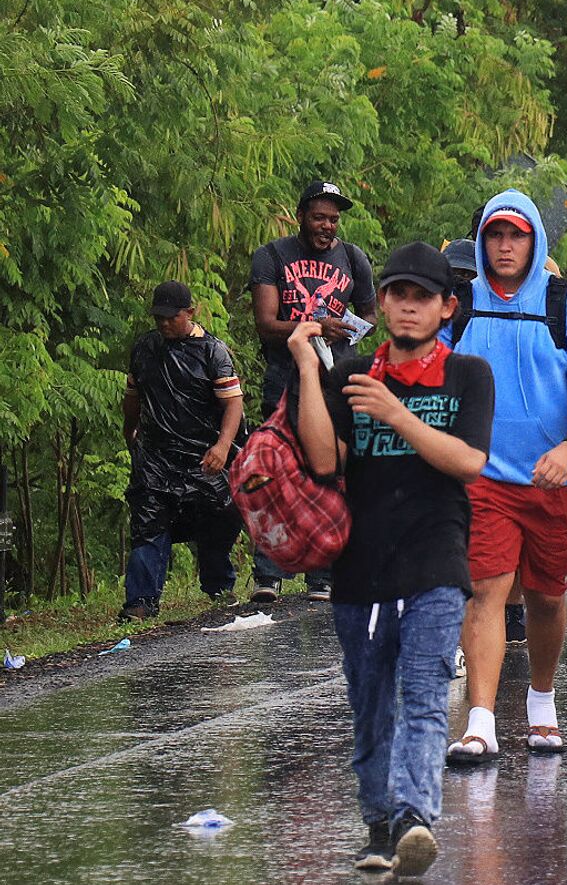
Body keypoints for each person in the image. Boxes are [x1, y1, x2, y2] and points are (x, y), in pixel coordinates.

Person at [285, 244, 493, 877]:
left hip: (435, 554)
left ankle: (414, 818)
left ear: (446, 307)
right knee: (371, 701)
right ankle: (380, 824)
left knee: (426, 695)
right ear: (382, 303)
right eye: (398, 295)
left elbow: (469, 462)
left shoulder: (468, 374)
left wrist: (398, 414)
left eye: (422, 297)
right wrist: (305, 367)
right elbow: (325, 461)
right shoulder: (349, 372)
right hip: (360, 560)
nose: (408, 306)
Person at [444, 190, 567, 763]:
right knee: (486, 592)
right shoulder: (461, 302)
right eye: (495, 234)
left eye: (515, 235)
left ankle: (542, 702)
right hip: (484, 476)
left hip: (557, 480)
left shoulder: (566, 305)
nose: (504, 246)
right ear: (481, 240)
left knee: (546, 597)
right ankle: (480, 721)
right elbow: (428, 375)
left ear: (534, 241)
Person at [246, 180, 375, 603]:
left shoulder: (353, 258)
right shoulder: (272, 256)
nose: (327, 226)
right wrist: (317, 325)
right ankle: (268, 574)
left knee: (329, 473)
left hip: (331, 378)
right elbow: (266, 323)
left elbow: (370, 312)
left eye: (334, 219)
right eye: (319, 217)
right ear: (300, 215)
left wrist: (351, 328)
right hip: (284, 377)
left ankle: (321, 576)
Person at [119, 281, 246, 621]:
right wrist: (129, 429)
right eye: (159, 317)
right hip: (156, 456)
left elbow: (233, 404)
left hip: (202, 456)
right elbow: (133, 397)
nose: (164, 324)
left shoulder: (212, 352)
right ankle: (140, 602)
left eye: (171, 317)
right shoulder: (145, 348)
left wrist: (221, 446)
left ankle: (219, 586)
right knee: (149, 521)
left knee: (219, 517)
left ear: (190, 313)